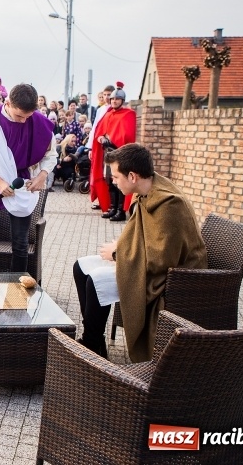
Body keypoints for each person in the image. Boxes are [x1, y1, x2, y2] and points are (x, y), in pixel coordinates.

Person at [73, 144, 207, 361]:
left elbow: (161, 260)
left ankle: (90, 343)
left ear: (132, 176)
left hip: (172, 278)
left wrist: (119, 254)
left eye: (116, 176)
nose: (113, 181)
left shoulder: (169, 204)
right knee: (80, 267)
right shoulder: (146, 191)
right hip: (143, 261)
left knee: (95, 280)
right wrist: (122, 247)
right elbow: (144, 236)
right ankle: (95, 341)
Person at [0, 83, 56, 274]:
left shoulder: (38, 121)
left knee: (20, 242)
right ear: (7, 103)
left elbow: (51, 154)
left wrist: (42, 174)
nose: (24, 121)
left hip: (23, 183)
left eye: (28, 116)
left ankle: (17, 289)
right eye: (19, 116)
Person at [90, 82, 136, 222]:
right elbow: (99, 132)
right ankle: (112, 208)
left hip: (120, 153)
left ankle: (120, 211)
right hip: (108, 153)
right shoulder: (108, 114)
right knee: (109, 181)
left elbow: (127, 135)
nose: (114, 101)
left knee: (118, 182)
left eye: (117, 99)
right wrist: (101, 138)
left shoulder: (128, 114)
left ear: (122, 100)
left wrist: (113, 142)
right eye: (112, 99)